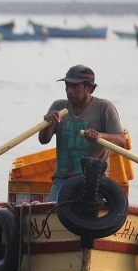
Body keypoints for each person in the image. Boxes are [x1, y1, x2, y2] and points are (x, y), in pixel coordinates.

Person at [39, 64, 126, 201]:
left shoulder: (104, 107)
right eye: (67, 86)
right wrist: (48, 124)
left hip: (95, 180)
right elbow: (43, 140)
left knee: (90, 214)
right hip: (62, 180)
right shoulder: (58, 106)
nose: (69, 91)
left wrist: (99, 135)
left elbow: (122, 142)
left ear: (89, 88)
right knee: (53, 213)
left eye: (74, 87)